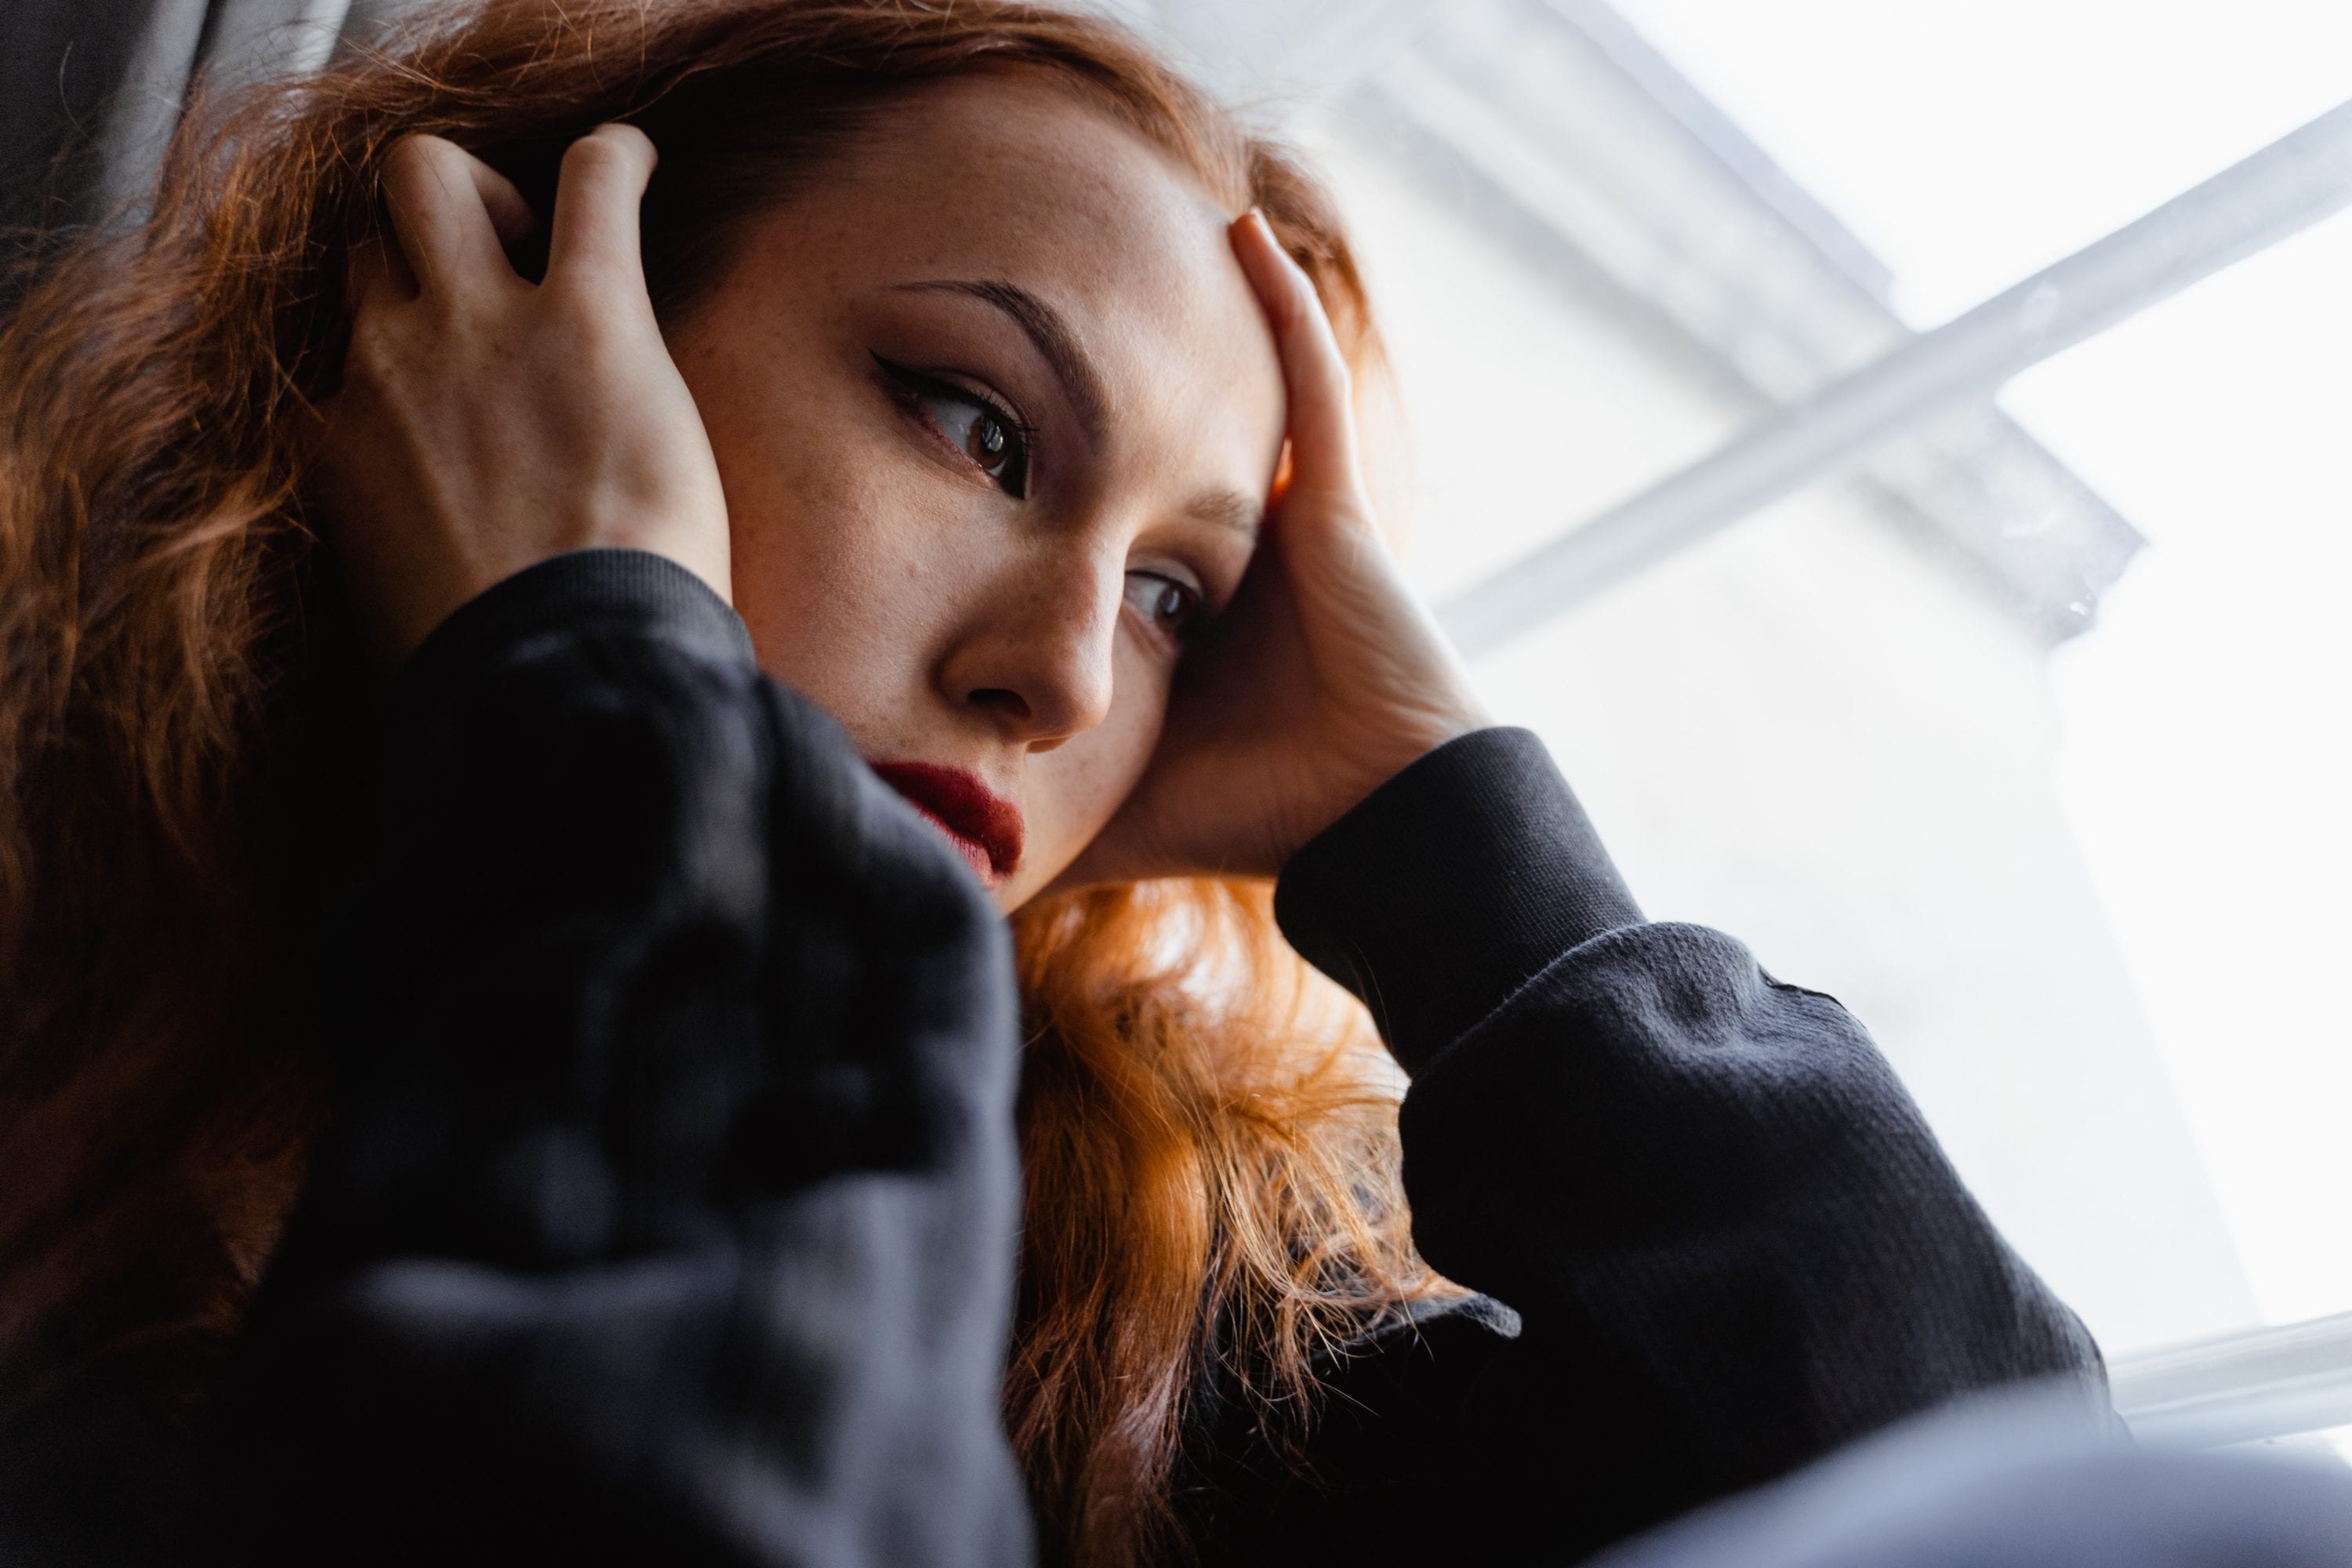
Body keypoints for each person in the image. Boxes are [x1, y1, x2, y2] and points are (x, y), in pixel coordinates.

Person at [0, 0, 2105, 1562]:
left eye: (1183, 598)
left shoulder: (1168, 1366)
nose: (1061, 669)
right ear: (538, 333)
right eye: (978, 427)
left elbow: (2012, 1517)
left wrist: (1458, 829)